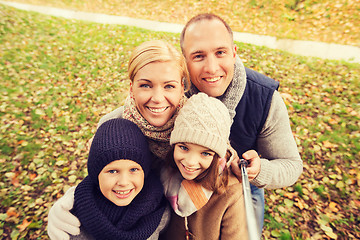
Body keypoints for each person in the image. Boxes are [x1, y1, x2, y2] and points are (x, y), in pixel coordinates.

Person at [47, 40, 189, 239]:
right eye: (146, 85)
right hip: (135, 214)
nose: (157, 98)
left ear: (182, 87)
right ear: (131, 88)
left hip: (183, 217)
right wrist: (74, 200)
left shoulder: (194, 124)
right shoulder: (113, 124)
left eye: (169, 86)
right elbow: (99, 174)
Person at [180, 13, 303, 232]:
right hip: (180, 183)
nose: (211, 68)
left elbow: (291, 165)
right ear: (184, 60)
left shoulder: (264, 97)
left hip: (242, 188)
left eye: (220, 53)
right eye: (198, 56)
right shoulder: (173, 91)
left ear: (234, 53)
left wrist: (258, 170)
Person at [61, 118, 169, 239]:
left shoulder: (158, 211)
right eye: (112, 171)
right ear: (95, 174)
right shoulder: (73, 220)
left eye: (133, 170)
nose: (123, 182)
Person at [159, 93, 248, 240]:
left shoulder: (230, 192)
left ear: (217, 156)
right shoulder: (164, 172)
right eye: (184, 147)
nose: (191, 162)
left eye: (205, 153)